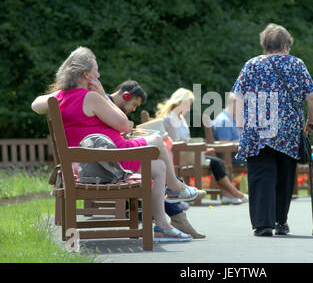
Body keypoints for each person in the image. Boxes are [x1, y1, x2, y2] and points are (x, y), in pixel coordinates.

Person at [31, 47, 204, 241]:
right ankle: (177, 188)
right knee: (156, 140)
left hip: (88, 162)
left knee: (159, 167)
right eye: (96, 70)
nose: (99, 74)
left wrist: (60, 93)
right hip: (106, 162)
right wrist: (104, 95)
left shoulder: (61, 98)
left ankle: (162, 224)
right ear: (86, 75)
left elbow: (35, 103)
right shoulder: (91, 97)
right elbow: (123, 125)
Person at [232, 23, 313, 236]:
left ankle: (264, 224)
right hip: (288, 130)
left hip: (257, 130)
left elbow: (237, 97)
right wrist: (311, 120)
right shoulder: (297, 64)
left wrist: (241, 126)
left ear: (265, 45)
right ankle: (281, 221)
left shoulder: (252, 64)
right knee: (285, 175)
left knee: (261, 175)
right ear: (285, 45)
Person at [108, 80, 206, 239]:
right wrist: (125, 128)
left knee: (159, 166)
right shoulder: (107, 106)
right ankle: (177, 198)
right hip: (110, 159)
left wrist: (125, 132)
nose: (134, 109)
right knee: (157, 144)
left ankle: (172, 217)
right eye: (134, 103)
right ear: (126, 95)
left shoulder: (109, 107)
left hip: (113, 154)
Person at [156, 88, 249, 205]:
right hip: (179, 156)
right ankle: (234, 193)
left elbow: (186, 140)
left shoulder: (179, 118)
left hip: (188, 153)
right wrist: (197, 150)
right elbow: (175, 142)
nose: (189, 109)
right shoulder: (170, 119)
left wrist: (202, 150)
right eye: (188, 105)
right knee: (217, 163)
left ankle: (229, 194)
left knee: (216, 162)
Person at [213, 92, 313, 168]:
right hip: (235, 158)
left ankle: (311, 157)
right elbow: (224, 145)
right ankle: (311, 158)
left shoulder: (231, 119)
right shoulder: (224, 121)